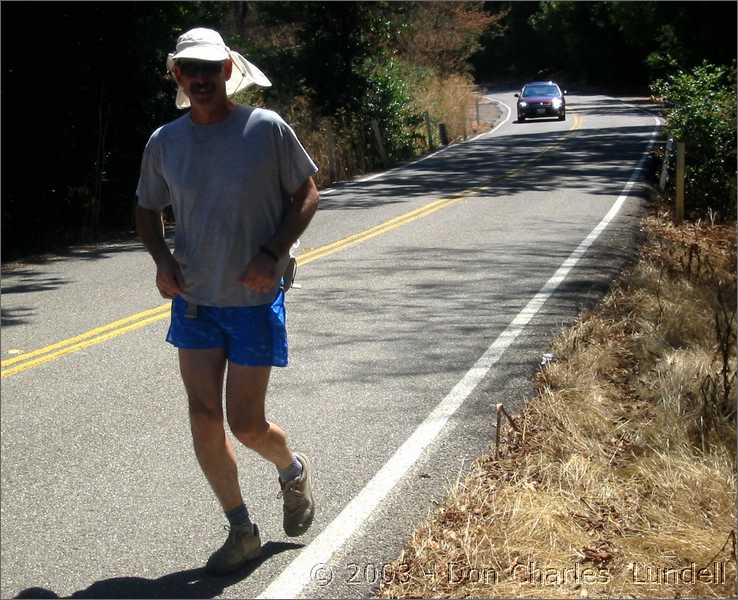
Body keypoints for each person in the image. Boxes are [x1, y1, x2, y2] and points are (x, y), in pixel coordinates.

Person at [135, 27, 320, 576]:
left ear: (228, 72)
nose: (201, 79)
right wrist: (162, 262)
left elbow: (307, 192)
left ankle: (290, 469)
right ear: (177, 76)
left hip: (253, 299)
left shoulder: (265, 129)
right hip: (194, 301)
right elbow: (146, 209)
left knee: (245, 423)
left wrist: (273, 252)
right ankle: (240, 528)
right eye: (190, 70)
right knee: (201, 416)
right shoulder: (164, 141)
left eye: (210, 69)